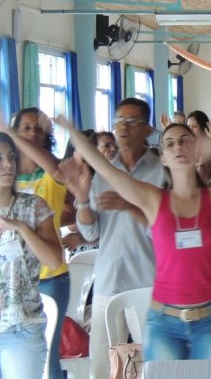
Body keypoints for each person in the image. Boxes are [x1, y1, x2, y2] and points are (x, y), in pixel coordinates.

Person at [56, 115, 211, 363]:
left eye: (185, 141)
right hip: (164, 322)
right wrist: (72, 131)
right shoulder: (153, 199)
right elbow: (108, 171)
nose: (178, 146)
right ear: (163, 157)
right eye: (170, 143)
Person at [64, 98, 167, 377]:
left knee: (153, 366)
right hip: (108, 280)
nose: (122, 127)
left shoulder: (161, 172)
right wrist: (82, 198)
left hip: (148, 283)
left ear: (147, 129)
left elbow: (165, 231)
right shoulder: (103, 174)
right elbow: (91, 233)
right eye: (119, 121)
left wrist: (132, 207)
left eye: (131, 121)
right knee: (102, 366)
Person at [9, 108, 68, 379]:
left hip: (49, 277)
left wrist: (10, 133)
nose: (32, 133)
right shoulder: (7, 177)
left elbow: (57, 171)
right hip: (12, 278)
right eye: (26, 128)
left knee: (48, 357)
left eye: (38, 129)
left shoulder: (50, 173)